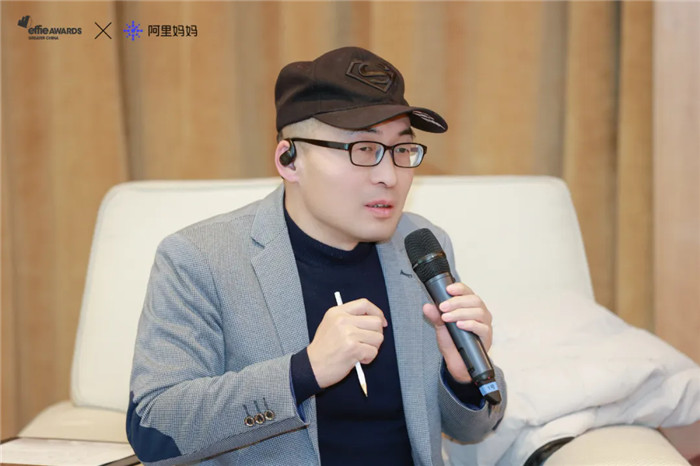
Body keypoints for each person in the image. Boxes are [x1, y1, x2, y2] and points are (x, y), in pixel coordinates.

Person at [127, 46, 506, 466]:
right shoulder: (200, 258)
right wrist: (303, 372)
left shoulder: (420, 246)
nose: (390, 176)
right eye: (363, 149)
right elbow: (154, 431)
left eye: (402, 149)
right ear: (289, 160)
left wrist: (462, 377)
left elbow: (474, 429)